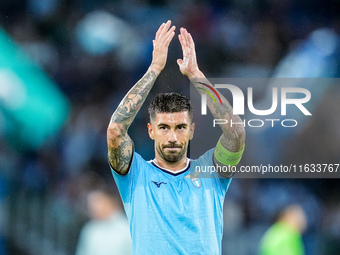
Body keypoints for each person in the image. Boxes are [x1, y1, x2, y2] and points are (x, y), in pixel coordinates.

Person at [107, 20, 246, 254]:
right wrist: (154, 70)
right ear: (151, 131)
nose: (172, 136)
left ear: (191, 130)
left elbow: (236, 133)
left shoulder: (210, 171)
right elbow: (115, 130)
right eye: (164, 128)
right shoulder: (136, 174)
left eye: (180, 127)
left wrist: (196, 75)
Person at [75, 187, 132, 255]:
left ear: (110, 200)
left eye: (98, 201)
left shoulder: (126, 227)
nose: (94, 207)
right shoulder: (89, 229)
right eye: (91, 204)